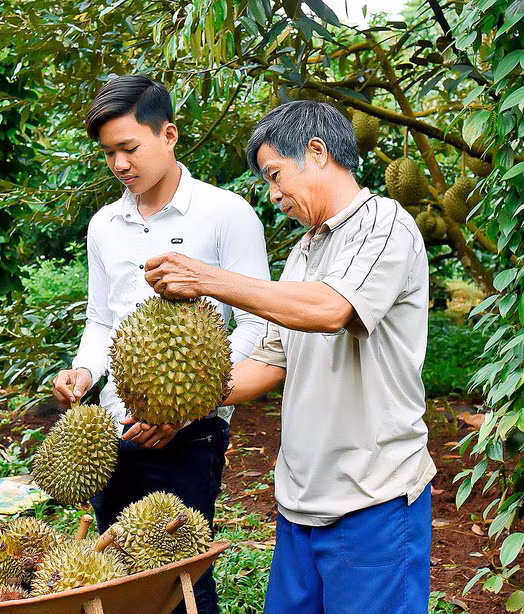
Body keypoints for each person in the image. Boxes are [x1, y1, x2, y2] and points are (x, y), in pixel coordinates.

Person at [144, 100, 436, 614]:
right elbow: (271, 361)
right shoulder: (304, 252)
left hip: (374, 501)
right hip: (300, 502)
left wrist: (207, 277)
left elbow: (331, 310)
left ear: (318, 152)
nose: (273, 195)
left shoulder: (385, 223)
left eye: (275, 176)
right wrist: (179, 400)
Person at [52, 74, 270, 614]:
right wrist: (84, 372)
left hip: (191, 433)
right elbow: (102, 320)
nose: (120, 165)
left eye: (129, 148)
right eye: (109, 154)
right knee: (115, 570)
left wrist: (192, 406)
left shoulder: (226, 214)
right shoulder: (105, 224)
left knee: (182, 575)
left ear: (168, 136)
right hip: (114, 429)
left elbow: (258, 328)